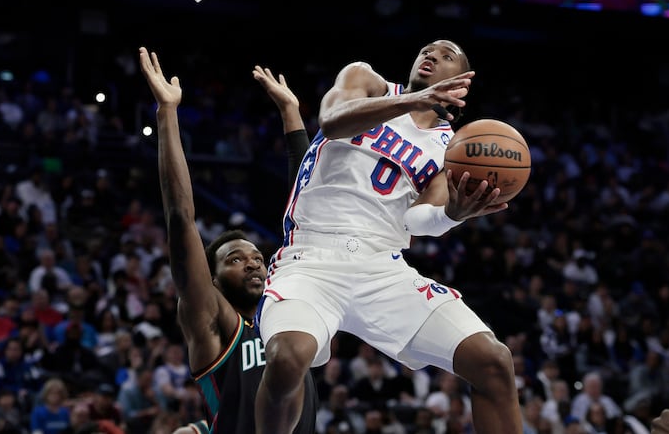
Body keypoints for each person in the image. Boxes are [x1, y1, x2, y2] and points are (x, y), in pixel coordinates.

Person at [253, 39, 523, 434]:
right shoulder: (366, 79)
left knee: (493, 361)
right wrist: (415, 101)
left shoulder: (452, 148)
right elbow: (332, 120)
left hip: (382, 269)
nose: (431, 56)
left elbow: (417, 221)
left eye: (446, 55)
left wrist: (452, 215)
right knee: (286, 357)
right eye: (427, 50)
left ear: (462, 81)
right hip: (311, 259)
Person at [138, 46, 317, 434]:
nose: (253, 261)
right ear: (214, 281)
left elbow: (307, 209)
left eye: (255, 256)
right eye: (235, 259)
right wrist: (167, 113)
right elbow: (181, 219)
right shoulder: (216, 324)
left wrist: (291, 114)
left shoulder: (287, 312)